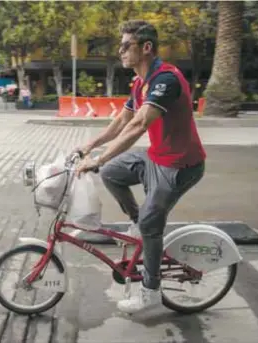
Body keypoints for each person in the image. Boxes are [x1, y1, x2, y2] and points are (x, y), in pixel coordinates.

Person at [74, 20, 206, 314]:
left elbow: (137, 126)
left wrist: (98, 159)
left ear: (146, 48)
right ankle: (138, 222)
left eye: (125, 46)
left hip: (180, 165)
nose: (120, 51)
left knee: (150, 223)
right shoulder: (140, 82)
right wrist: (89, 146)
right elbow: (121, 121)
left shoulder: (165, 80)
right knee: (111, 174)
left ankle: (151, 291)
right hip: (157, 157)